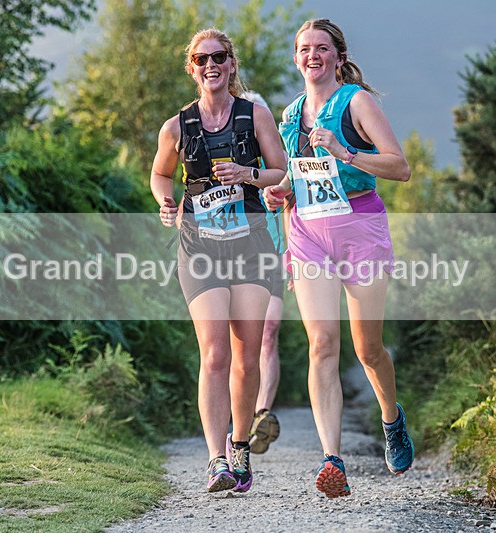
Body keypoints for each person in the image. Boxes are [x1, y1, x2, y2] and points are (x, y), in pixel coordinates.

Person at [264, 18, 414, 499]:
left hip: (359, 230)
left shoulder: (356, 102)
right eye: (304, 48)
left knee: (367, 349)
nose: (313, 55)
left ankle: (391, 418)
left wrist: (348, 152)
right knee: (322, 344)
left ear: (338, 57)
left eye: (322, 48)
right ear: (296, 58)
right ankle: (333, 459)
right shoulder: (289, 118)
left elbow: (399, 167)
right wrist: (280, 192)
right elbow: (298, 179)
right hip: (307, 234)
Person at [151, 28, 287, 493]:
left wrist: (249, 174)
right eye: (201, 58)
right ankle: (216, 461)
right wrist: (166, 202)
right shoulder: (178, 126)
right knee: (215, 354)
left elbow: (281, 171)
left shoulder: (256, 115)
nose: (211, 65)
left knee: (248, 357)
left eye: (220, 57)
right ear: (191, 67)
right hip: (200, 245)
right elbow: (159, 173)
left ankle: (240, 445)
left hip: (249, 243)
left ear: (231, 65)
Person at [241, 90, 284, 455]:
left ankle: (261, 415)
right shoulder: (222, 153)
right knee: (236, 340)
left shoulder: (277, 158)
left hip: (273, 254)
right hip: (230, 255)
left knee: (269, 332)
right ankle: (236, 422)